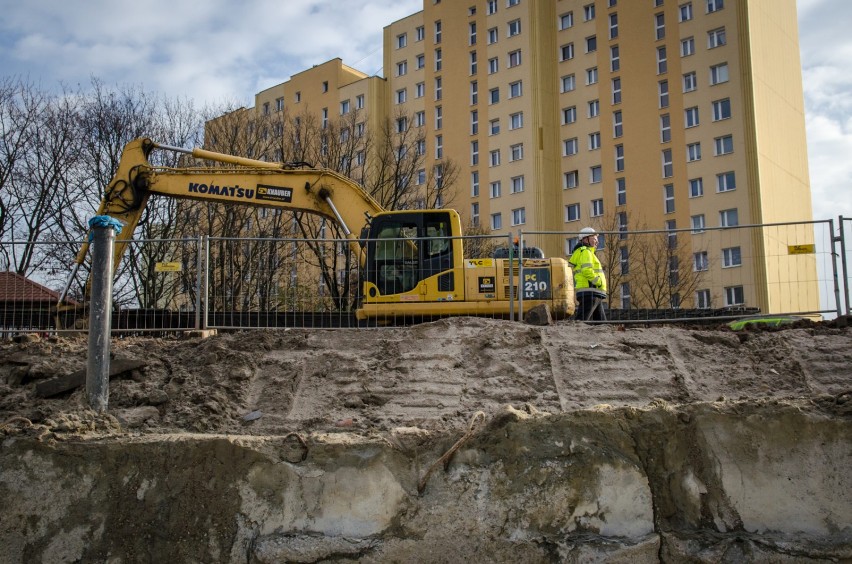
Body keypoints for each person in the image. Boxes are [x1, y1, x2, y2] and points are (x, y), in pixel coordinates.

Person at [568, 227, 608, 321]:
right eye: (594, 239)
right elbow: (586, 270)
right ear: (586, 239)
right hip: (590, 291)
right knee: (581, 321)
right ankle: (574, 334)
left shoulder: (586, 252)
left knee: (602, 324)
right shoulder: (586, 251)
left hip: (594, 292)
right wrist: (598, 281)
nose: (597, 241)